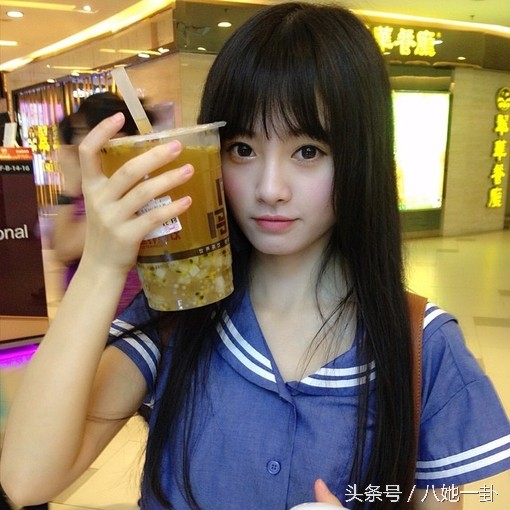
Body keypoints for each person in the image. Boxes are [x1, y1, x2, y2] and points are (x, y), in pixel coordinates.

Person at [1, 3, 509, 509]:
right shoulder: (180, 316)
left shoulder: (422, 345)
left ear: (363, 156)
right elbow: (26, 480)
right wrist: (101, 265)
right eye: (243, 149)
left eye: (308, 151)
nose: (269, 189)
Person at [52, 92, 143, 313]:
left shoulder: (119, 185)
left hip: (115, 316)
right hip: (94, 310)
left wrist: (69, 186)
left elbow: (64, 248)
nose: (75, 142)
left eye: (81, 131)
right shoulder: (95, 183)